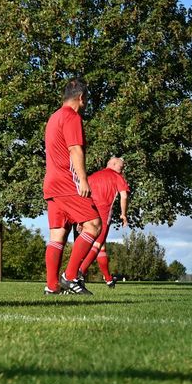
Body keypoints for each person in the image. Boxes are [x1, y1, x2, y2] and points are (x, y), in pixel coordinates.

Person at [42, 78, 101, 296]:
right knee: (94, 224)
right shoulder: (71, 116)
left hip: (51, 183)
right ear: (81, 97)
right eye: (86, 100)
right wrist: (83, 179)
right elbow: (75, 149)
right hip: (67, 182)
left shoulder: (53, 117)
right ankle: (70, 275)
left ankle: (52, 286)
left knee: (58, 234)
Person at [77, 157, 129, 288]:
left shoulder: (92, 177)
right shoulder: (117, 177)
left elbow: (83, 195)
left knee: (101, 247)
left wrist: (80, 219)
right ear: (113, 164)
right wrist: (123, 214)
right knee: (97, 245)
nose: (122, 170)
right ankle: (77, 274)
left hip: (88, 211)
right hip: (103, 213)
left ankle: (108, 279)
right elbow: (124, 195)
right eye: (121, 167)